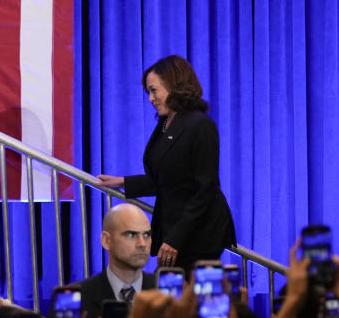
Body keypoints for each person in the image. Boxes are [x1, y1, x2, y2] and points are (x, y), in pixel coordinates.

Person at [97, 54, 236, 269]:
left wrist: (175, 239)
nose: (151, 98)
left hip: (198, 233)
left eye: (154, 90)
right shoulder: (165, 123)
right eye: (148, 92)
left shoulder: (200, 125)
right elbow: (167, 179)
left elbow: (204, 190)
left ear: (174, 86)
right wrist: (123, 181)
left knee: (187, 298)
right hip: (175, 230)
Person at [75, 202, 157, 318]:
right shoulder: (79, 298)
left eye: (146, 235)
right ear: (106, 240)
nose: (142, 244)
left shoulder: (166, 292)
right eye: (131, 234)